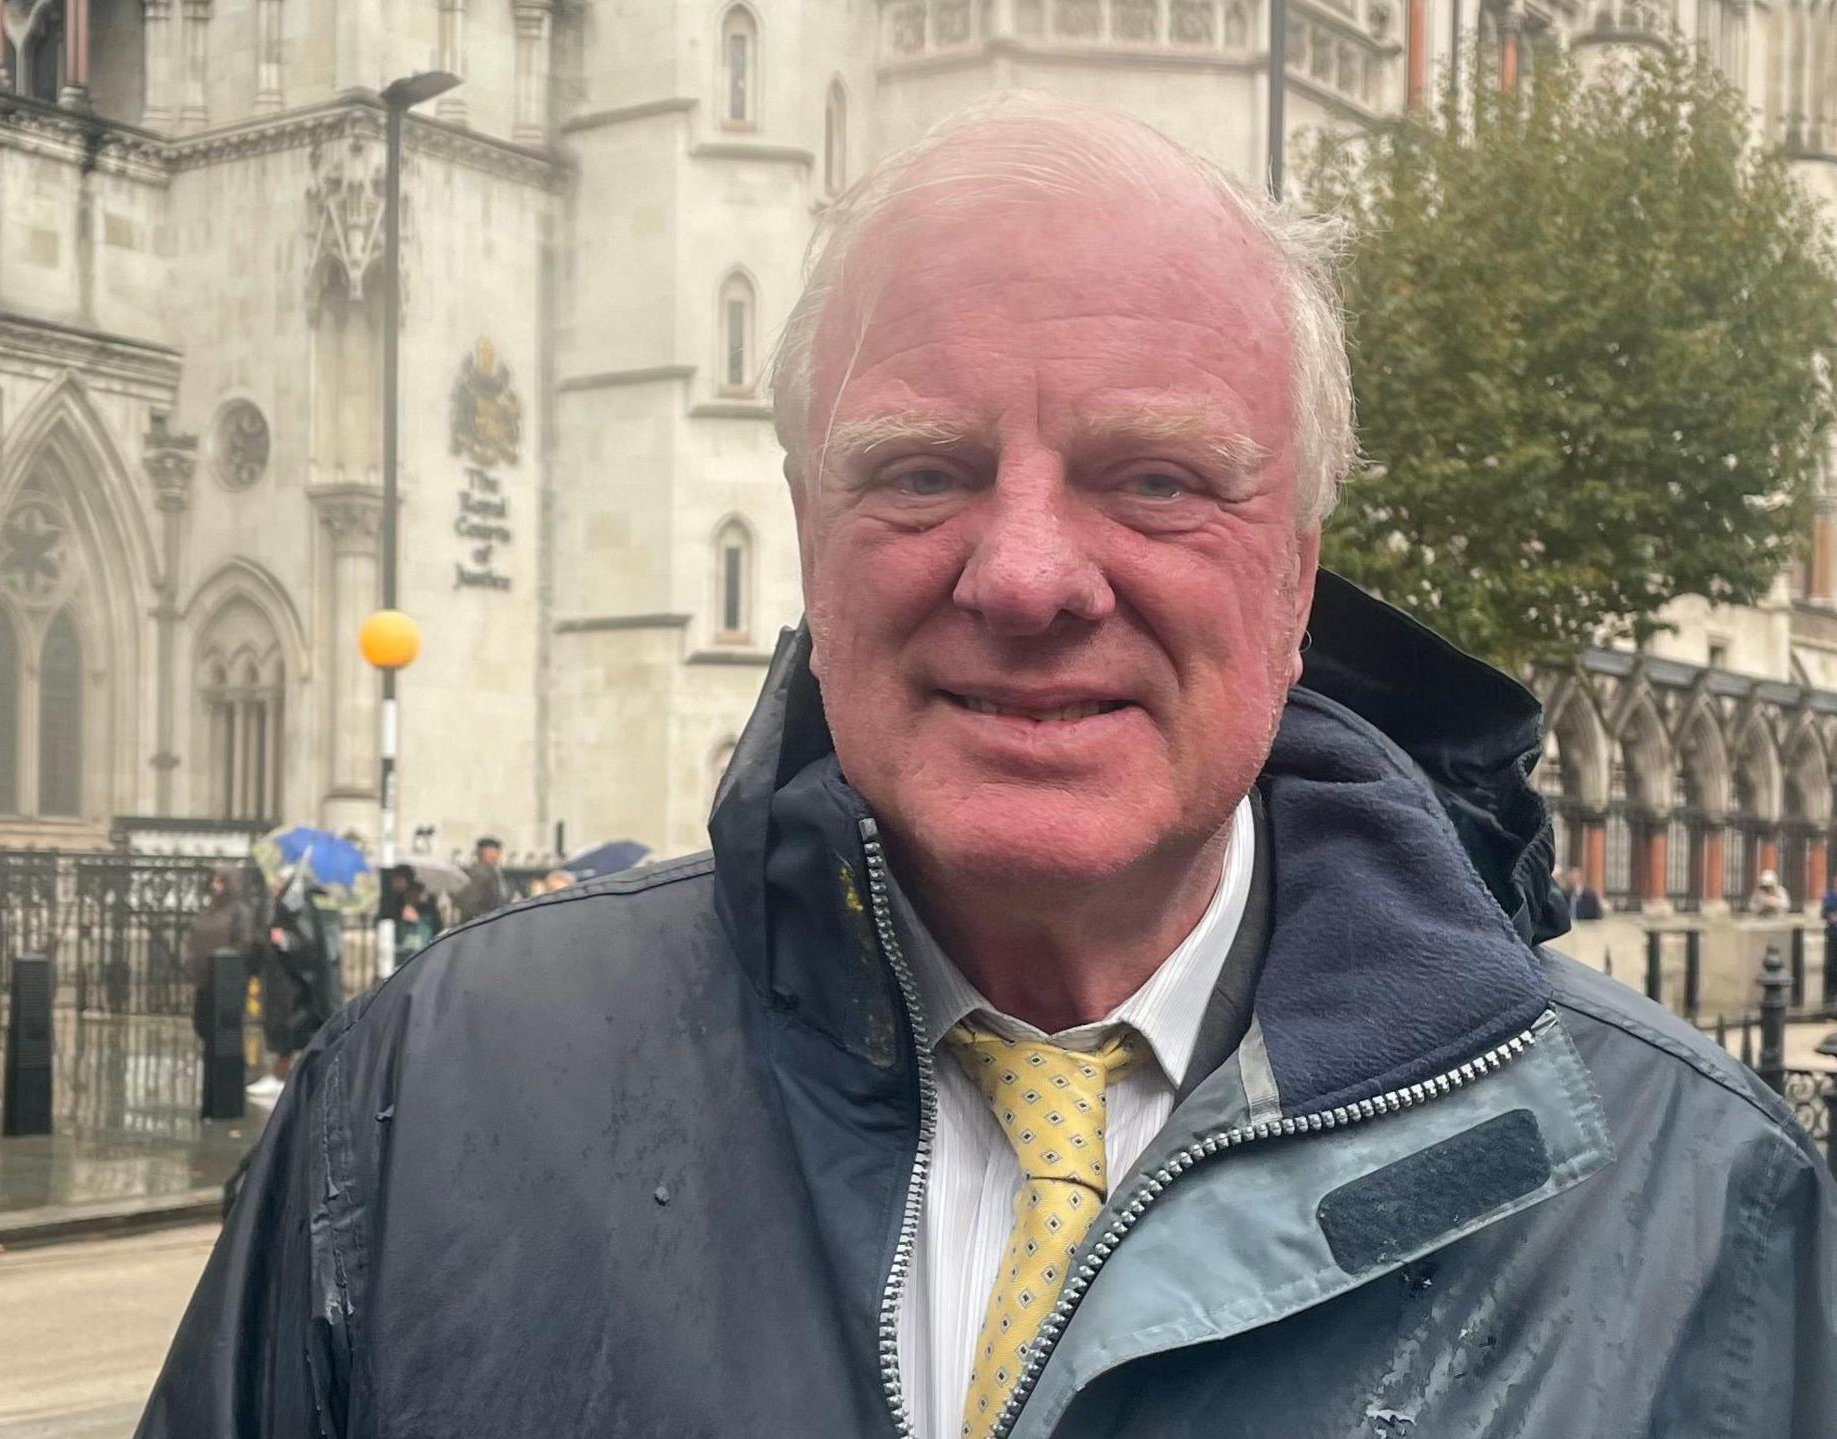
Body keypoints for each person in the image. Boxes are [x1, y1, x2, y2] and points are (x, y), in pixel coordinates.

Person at [140, 97, 1835, 1436]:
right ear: (805, 539)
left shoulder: (1698, 1200)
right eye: (924, 469)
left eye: (1156, 477)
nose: (1024, 573)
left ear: (1299, 573)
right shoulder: (429, 1103)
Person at [251, 864, 340, 1095]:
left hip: (294, 989)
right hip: (283, 984)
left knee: (292, 1033)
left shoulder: (301, 908)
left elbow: (307, 946)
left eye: (280, 882)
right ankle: (282, 1076)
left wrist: (285, 940)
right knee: (286, 1034)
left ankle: (284, 1078)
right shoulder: (285, 908)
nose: (275, 886)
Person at [181, 865, 263, 1042]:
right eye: (215, 880)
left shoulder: (240, 911)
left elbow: (245, 942)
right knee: (203, 1024)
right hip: (204, 979)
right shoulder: (210, 910)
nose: (215, 885)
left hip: (226, 981)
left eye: (220, 880)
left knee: (223, 1032)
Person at [452, 837, 513, 922]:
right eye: (492, 852)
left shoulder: (494, 871)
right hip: (482, 923)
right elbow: (468, 903)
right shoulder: (479, 873)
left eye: (497, 852)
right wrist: (485, 917)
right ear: (482, 853)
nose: (496, 855)